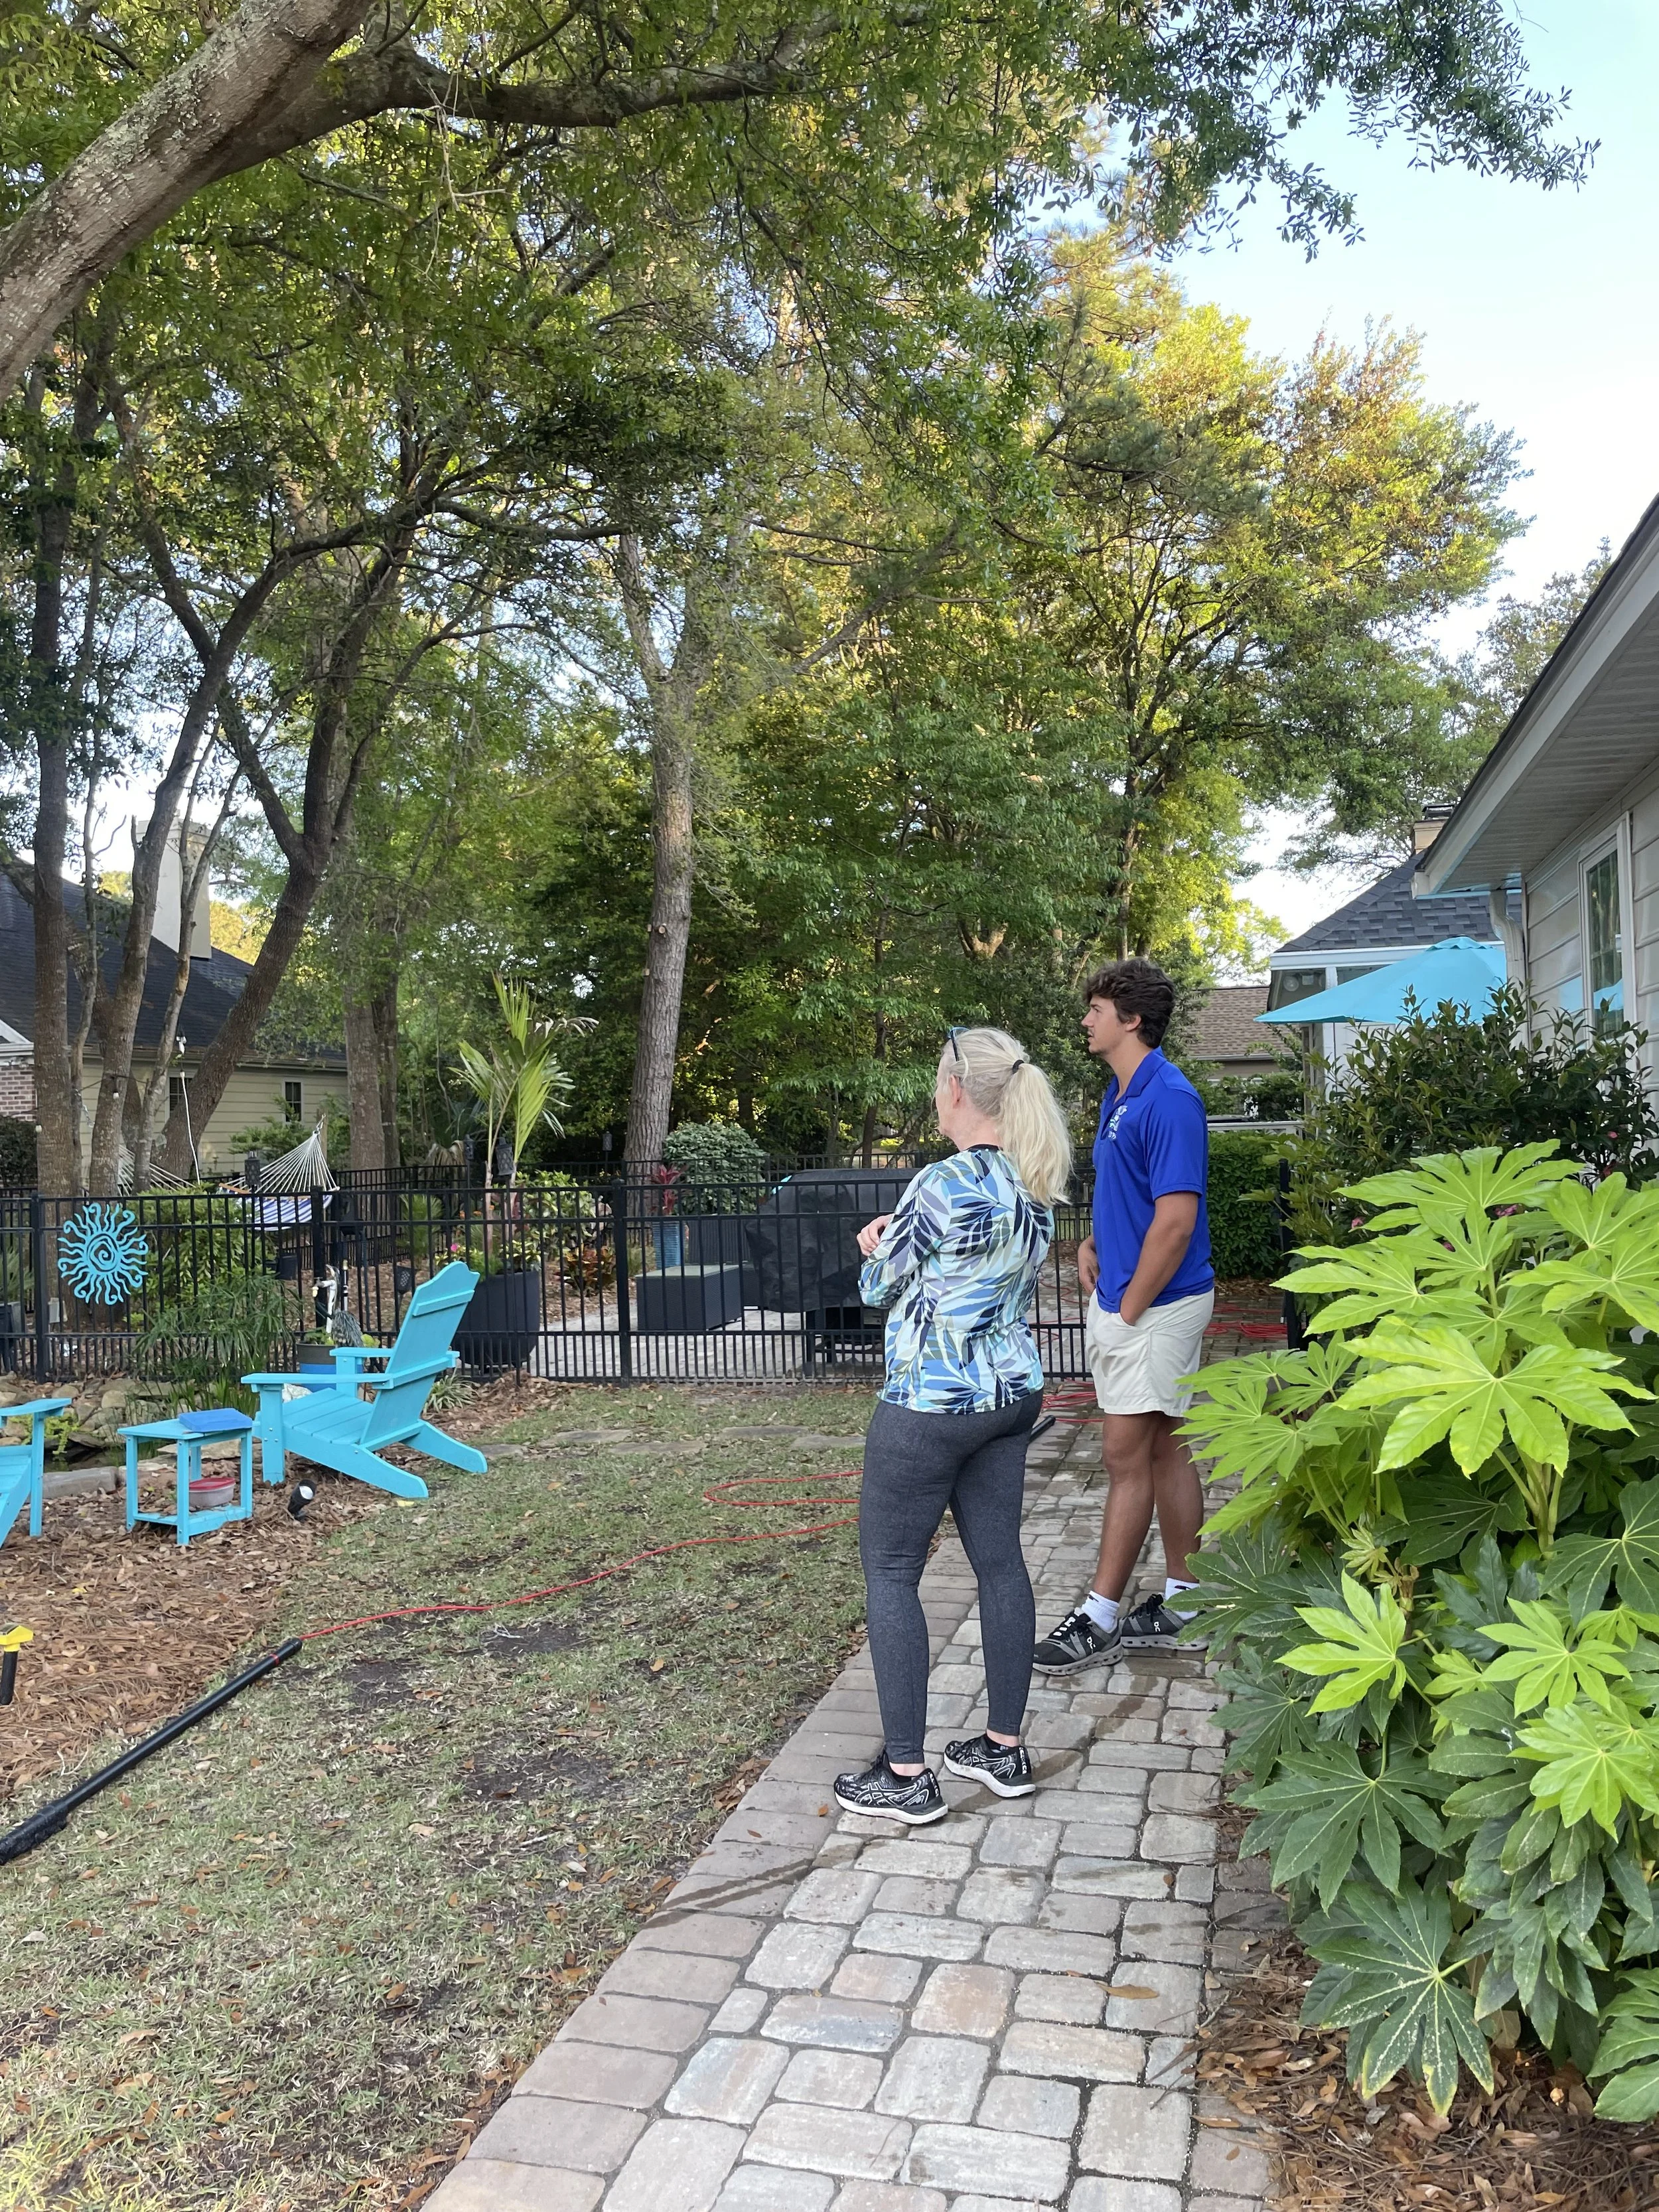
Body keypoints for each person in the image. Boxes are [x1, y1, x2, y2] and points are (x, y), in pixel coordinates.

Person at [833, 1027, 1073, 1824]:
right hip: (1008, 1395)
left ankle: (905, 1777)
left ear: (956, 1090)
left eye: (937, 1084)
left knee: (892, 1571)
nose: (935, 1097)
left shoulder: (942, 1182)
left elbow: (877, 1285)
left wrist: (872, 1243)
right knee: (1000, 1566)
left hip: (931, 1402)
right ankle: (1001, 1750)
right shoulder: (1035, 1177)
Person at [1033, 959, 1213, 1676]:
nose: (1086, 1020)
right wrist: (1092, 1241)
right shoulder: (1120, 1094)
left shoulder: (1169, 1099)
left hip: (1157, 1307)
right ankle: (1186, 1600)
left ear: (1130, 1019)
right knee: (1167, 1447)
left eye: (1096, 1009)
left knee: (1122, 1455)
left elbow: (1175, 1221)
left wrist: (1130, 1307)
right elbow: (1133, 1199)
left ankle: (1101, 1615)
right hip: (1140, 1301)